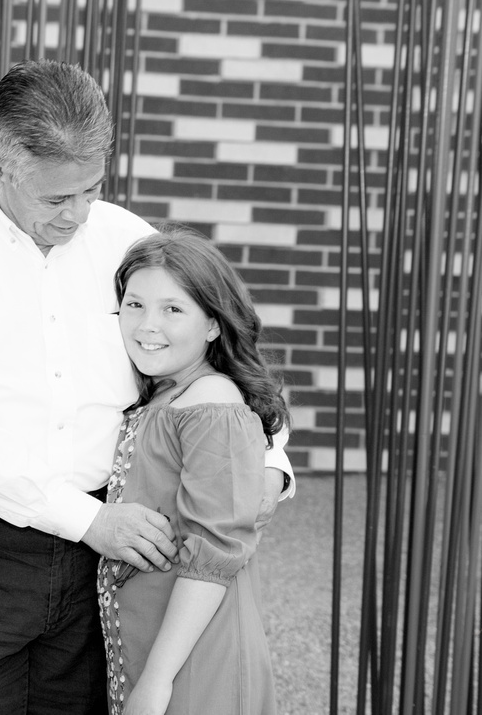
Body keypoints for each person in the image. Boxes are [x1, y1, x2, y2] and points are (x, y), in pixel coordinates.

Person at [0, 59, 293, 714]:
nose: (78, 214)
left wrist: (266, 461)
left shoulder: (126, 237)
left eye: (91, 189)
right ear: (0, 163)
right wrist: (91, 520)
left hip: (113, 553)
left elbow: (221, 347)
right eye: (55, 198)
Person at [97, 227, 289, 715]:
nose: (146, 326)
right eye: (135, 305)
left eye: (173, 309)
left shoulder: (211, 403)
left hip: (194, 659)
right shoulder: (169, 391)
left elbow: (214, 553)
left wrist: (157, 683)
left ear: (212, 324)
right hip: (157, 642)